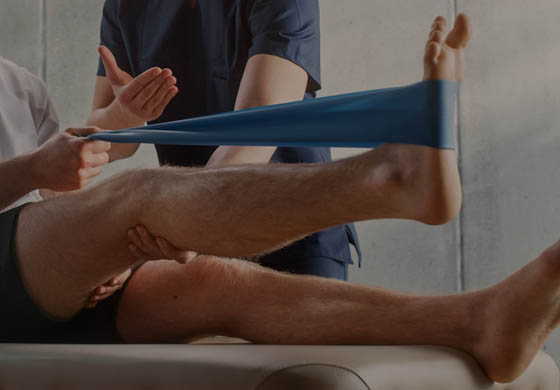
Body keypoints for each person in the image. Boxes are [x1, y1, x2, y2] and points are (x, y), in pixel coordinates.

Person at [1, 15, 557, 384]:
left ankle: (477, 320)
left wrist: (94, 253)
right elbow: (41, 186)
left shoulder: (19, 85)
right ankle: (388, 175)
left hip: (36, 280)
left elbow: (51, 198)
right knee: (140, 193)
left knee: (217, 280)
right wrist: (46, 179)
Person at [87, 0, 361, 281]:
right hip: (193, 227)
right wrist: (125, 113)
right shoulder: (125, 5)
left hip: (291, 228)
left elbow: (253, 130)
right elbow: (109, 140)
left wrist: (184, 224)